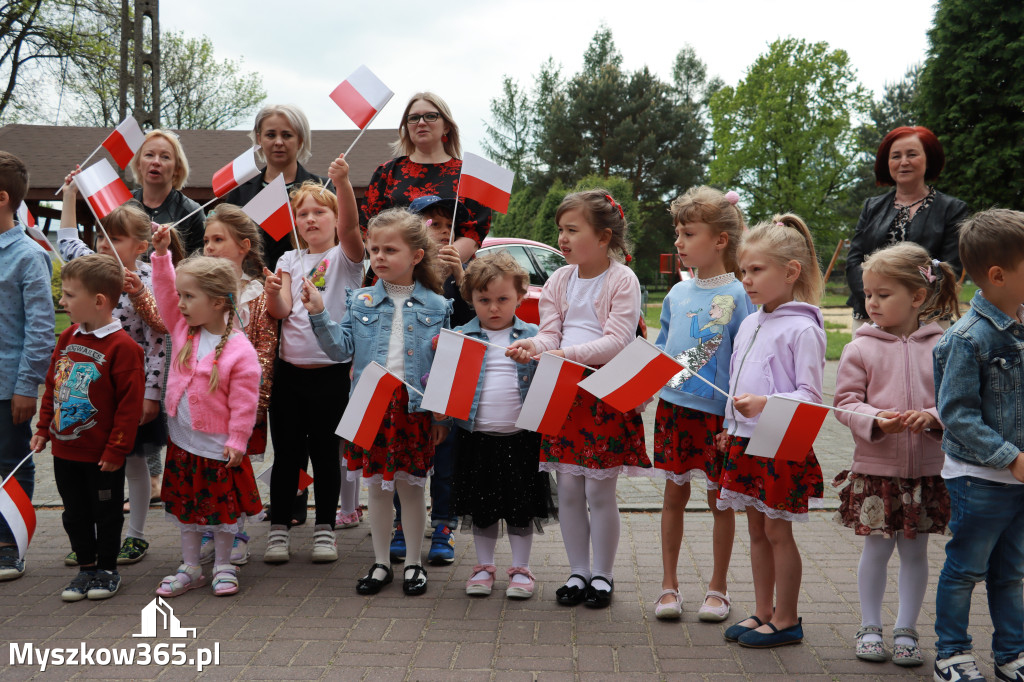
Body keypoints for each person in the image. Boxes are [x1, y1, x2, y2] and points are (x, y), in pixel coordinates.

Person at [507, 189, 649, 609]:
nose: (563, 239)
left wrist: (561, 354)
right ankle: (577, 572)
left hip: (603, 395)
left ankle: (602, 575)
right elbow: (551, 332)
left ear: (604, 237)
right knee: (568, 488)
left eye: (573, 230)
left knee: (599, 493)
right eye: (560, 231)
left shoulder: (622, 279)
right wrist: (533, 346)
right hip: (564, 393)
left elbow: (617, 341)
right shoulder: (558, 279)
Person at [305, 207, 450, 596]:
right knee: (377, 490)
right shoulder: (361, 300)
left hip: (414, 409)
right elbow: (341, 349)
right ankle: (382, 561)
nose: (380, 257)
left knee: (413, 489)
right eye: (374, 250)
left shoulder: (438, 306)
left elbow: (445, 368)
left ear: (416, 256)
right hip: (370, 404)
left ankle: (415, 563)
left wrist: (442, 416)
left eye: (390, 249)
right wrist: (319, 314)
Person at [832, 243, 959, 667]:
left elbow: (957, 402)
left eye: (883, 294)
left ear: (917, 297)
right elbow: (845, 403)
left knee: (916, 553)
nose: (872, 303)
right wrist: (874, 419)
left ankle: (906, 629)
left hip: (927, 472)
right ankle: (870, 626)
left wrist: (932, 416)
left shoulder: (943, 346)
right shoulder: (859, 348)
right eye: (868, 294)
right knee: (876, 550)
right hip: (877, 469)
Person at [717, 214, 825, 648]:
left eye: (756, 270)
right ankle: (762, 611)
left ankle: (786, 618)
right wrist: (730, 424)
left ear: (791, 271)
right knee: (756, 530)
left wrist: (766, 405)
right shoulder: (748, 322)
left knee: (778, 531)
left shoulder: (804, 328)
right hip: (744, 441)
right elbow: (736, 380)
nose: (747, 280)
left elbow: (812, 397)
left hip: (781, 439)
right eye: (744, 271)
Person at [651, 187, 754, 621]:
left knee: (720, 502)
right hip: (673, 409)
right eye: (677, 232)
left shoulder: (742, 292)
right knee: (674, 495)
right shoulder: (675, 295)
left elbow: (747, 356)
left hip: (719, 416)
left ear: (720, 240)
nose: (679, 242)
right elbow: (660, 348)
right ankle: (668, 586)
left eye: (688, 233)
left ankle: (718, 588)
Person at [932, 209, 1024, 682]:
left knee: (1012, 572)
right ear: (998, 275)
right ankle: (952, 653)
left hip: (1019, 479)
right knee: (966, 568)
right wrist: (1010, 458)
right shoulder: (966, 340)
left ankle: (1012, 654)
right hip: (981, 480)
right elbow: (957, 415)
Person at [58, 181, 167, 567]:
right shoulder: (91, 270)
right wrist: (70, 196)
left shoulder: (150, 284)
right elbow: (68, 242)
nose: (104, 244)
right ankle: (90, 541)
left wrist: (151, 394)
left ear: (140, 246)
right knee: (90, 467)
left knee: (133, 462)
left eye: (115, 238)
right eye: (101, 237)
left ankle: (134, 535)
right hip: (90, 393)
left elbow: (158, 341)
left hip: (129, 393)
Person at [149, 229, 262, 597]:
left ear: (217, 302)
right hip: (184, 442)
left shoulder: (239, 350)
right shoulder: (183, 329)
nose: (179, 303)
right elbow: (164, 293)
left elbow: (245, 402)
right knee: (188, 508)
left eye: (189, 296)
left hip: (219, 447)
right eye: (181, 296)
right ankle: (191, 566)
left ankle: (225, 564)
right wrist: (162, 256)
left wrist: (237, 439)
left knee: (222, 511)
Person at [261, 157, 363, 563]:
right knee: (286, 456)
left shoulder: (345, 258)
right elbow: (283, 309)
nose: (310, 219)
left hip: (331, 376)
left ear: (334, 218)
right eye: (302, 214)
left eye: (320, 211)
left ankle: (325, 529)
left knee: (326, 456)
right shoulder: (288, 260)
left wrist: (342, 183)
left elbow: (353, 229)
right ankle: (279, 529)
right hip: (289, 377)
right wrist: (272, 292)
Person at [31, 254, 145, 601]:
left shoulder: (124, 348)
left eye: (68, 295)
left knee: (105, 513)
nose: (61, 301)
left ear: (98, 301)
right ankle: (85, 568)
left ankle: (107, 570)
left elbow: (129, 408)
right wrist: (42, 428)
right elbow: (54, 385)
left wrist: (116, 450)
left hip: (102, 456)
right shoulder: (67, 337)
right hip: (65, 451)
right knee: (75, 514)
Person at [453, 251, 552, 600]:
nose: (493, 308)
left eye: (502, 299)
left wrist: (538, 359)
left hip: (522, 437)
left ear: (520, 296)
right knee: (483, 507)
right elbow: (445, 385)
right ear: (471, 299)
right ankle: (483, 566)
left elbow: (549, 382)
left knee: (520, 506)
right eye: (483, 300)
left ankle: (521, 568)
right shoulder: (460, 337)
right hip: (477, 437)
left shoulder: (534, 337)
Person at [386, 195, 476, 566]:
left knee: (447, 454)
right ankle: (402, 523)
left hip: (453, 372)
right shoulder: (405, 274)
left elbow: (479, 319)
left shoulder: (466, 271)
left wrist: (460, 276)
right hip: (410, 376)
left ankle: (443, 523)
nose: (440, 232)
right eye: (430, 224)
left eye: (446, 225)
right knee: (404, 456)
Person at [193, 204, 278, 566]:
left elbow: (264, 348)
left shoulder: (257, 295)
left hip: (241, 400)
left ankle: (237, 529)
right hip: (203, 398)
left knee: (233, 467)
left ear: (243, 246)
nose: (209, 247)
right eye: (206, 240)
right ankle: (212, 528)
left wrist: (255, 402)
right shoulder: (197, 290)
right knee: (205, 465)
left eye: (218, 240)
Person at [846, 126, 969, 329]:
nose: (903, 162)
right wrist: (876, 299)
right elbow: (854, 261)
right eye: (896, 156)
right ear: (887, 163)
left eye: (912, 154)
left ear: (928, 159)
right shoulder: (871, 207)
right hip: (870, 315)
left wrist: (907, 305)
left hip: (928, 318)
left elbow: (949, 268)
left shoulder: (952, 210)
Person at [0, 152, 54, 581]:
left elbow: (40, 331)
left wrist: (26, 387)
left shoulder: (27, 256)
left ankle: (9, 544)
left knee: (11, 461)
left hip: (7, 387)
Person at [360, 92, 490, 266]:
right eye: (413, 118)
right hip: (391, 275)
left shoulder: (470, 175)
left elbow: (473, 233)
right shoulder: (386, 172)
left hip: (446, 276)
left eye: (430, 116)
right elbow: (367, 229)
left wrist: (430, 268)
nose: (421, 122)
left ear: (446, 127)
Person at [222, 104, 330, 271]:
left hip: (308, 284)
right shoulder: (240, 190)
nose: (278, 142)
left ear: (300, 139)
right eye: (271, 135)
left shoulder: (323, 189)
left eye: (287, 135)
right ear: (259, 139)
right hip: (252, 286)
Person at [129, 129, 204, 255]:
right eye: (149, 155)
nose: (156, 162)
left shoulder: (192, 212)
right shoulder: (121, 204)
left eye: (165, 157)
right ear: (138, 164)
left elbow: (199, 266)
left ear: (177, 168)